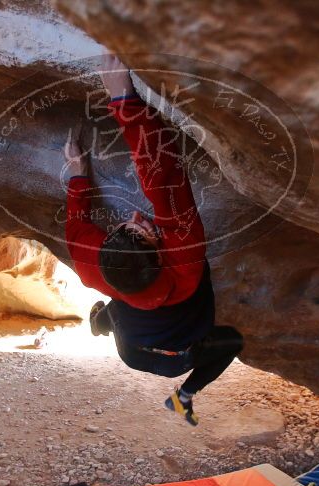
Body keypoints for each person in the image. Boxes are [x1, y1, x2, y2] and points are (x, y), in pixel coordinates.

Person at [63, 54, 243, 426]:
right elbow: (164, 177)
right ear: (162, 255)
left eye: (130, 226)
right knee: (232, 342)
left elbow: (77, 220)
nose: (137, 216)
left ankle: (103, 322)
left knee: (122, 301)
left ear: (104, 249)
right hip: (179, 355)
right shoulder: (184, 267)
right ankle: (184, 396)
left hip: (131, 349)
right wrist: (124, 103)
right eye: (145, 230)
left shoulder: (90, 269)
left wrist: (79, 175)